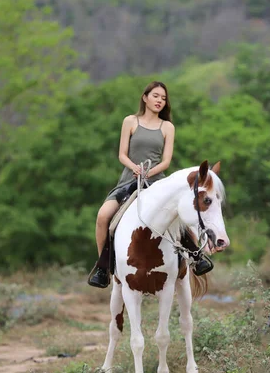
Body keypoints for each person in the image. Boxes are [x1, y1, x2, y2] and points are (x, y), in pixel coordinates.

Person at [87, 81, 213, 288]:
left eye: (163, 98)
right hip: (129, 180)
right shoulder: (130, 121)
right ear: (145, 97)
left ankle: (196, 257)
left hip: (156, 182)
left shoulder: (167, 127)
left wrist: (149, 172)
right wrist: (135, 169)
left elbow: (166, 161)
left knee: (177, 217)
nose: (160, 101)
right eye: (156, 96)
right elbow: (122, 154)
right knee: (102, 216)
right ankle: (103, 267)